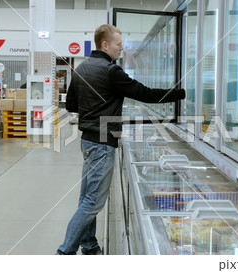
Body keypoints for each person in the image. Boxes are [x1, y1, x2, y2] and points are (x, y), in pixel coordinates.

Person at [56, 24, 185, 255]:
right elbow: (145, 94)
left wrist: (96, 108)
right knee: (92, 202)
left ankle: (89, 245)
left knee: (87, 198)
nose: (121, 48)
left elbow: (72, 105)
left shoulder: (81, 68)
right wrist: (181, 93)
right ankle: (64, 253)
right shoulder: (110, 71)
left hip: (87, 141)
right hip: (103, 143)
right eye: (118, 44)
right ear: (105, 45)